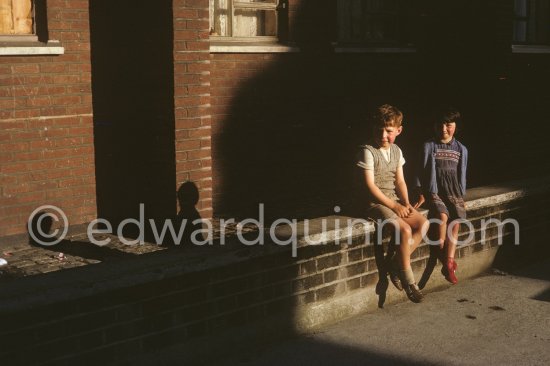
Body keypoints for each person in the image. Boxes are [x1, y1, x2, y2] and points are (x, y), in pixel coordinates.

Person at [357, 104, 428, 303]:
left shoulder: (397, 151)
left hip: (395, 200)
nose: (383, 135)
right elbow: (370, 186)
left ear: (398, 130)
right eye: (378, 130)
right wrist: (395, 207)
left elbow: (400, 181)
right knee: (404, 230)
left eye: (388, 131)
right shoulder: (367, 151)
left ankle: (396, 264)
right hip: (375, 202)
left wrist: (406, 203)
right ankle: (409, 282)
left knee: (423, 223)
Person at [414, 107, 468, 284]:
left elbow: (462, 174)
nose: (443, 129)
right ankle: (444, 257)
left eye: (448, 124)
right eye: (440, 124)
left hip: (453, 191)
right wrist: (421, 192)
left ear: (455, 126)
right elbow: (420, 170)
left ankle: (449, 261)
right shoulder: (429, 146)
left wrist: (461, 197)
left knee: (457, 219)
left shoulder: (461, 149)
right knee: (443, 216)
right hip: (434, 190)